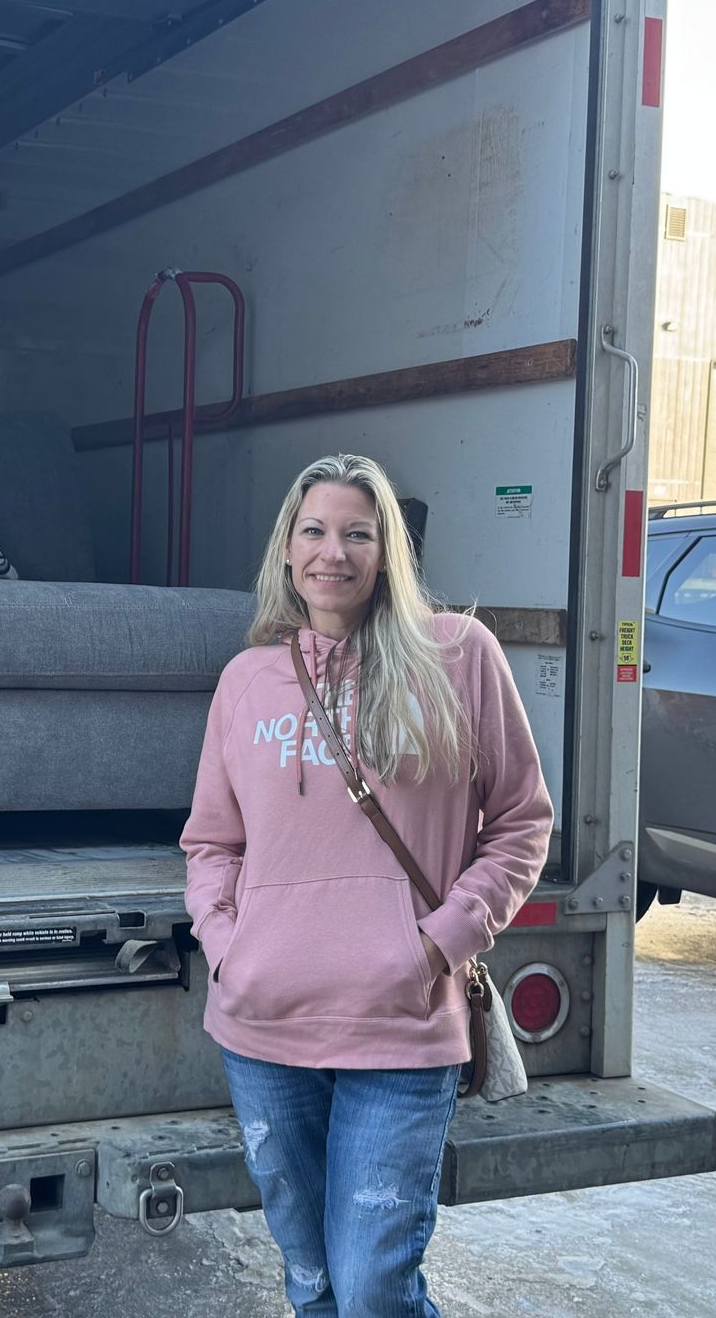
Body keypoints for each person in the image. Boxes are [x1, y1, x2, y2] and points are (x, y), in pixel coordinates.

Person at [180, 453, 554, 1317]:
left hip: (402, 1022)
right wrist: (229, 944)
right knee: (311, 1282)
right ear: (286, 549)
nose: (333, 553)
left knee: (374, 1285)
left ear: (389, 552)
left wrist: (442, 941)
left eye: (359, 533)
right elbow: (211, 841)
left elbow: (522, 821)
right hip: (264, 1024)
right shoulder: (248, 681)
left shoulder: (458, 655)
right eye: (314, 531)